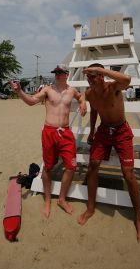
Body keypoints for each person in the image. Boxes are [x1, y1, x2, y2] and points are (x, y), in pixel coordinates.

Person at [78, 63, 140, 243]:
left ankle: (139, 219)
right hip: (103, 130)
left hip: (121, 131)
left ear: (102, 76)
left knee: (128, 173)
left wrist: (100, 70)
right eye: (88, 77)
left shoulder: (114, 87)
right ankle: (91, 208)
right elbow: (94, 111)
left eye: (93, 76)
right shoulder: (89, 93)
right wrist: (92, 131)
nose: (90, 80)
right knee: (93, 165)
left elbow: (127, 79)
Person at [9, 64, 87, 218]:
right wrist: (19, 91)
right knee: (48, 167)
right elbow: (31, 101)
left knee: (71, 167)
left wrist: (83, 103)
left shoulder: (71, 90)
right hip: (49, 132)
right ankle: (47, 200)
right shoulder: (47, 90)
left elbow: (81, 96)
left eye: (60, 73)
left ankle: (62, 199)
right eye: (56, 72)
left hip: (65, 132)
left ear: (67, 74)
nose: (57, 75)